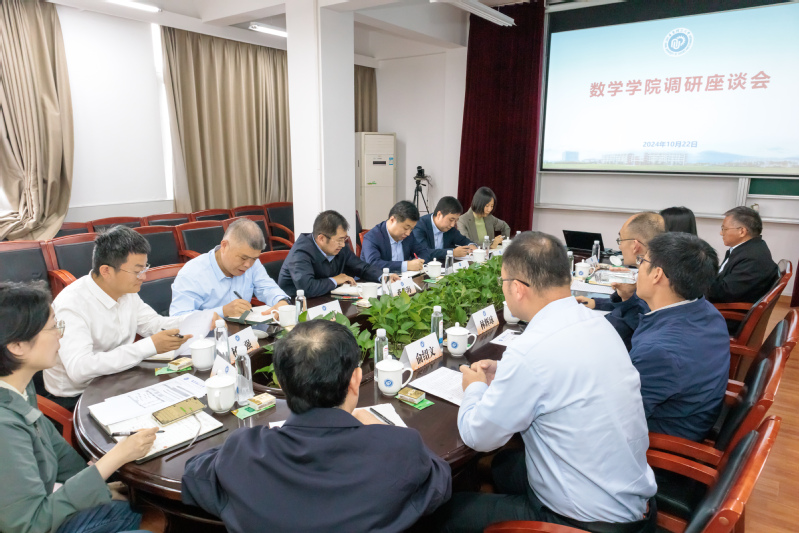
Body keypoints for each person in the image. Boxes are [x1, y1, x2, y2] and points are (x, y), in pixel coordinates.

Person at [432, 232, 656, 533]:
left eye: (502, 282)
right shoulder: (598, 324)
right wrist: (505, 370)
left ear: (517, 288)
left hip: (584, 521)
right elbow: (561, 370)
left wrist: (474, 387)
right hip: (627, 496)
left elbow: (478, 437)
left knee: (446, 514)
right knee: (503, 465)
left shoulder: (531, 351)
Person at [182, 320, 451, 533]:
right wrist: (383, 428)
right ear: (355, 380)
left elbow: (194, 476)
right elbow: (440, 482)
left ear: (282, 384)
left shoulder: (242, 452)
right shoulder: (399, 446)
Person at [0, 281, 159, 533]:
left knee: (146, 505)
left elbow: (58, 451)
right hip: (42, 523)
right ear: (17, 346)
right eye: (53, 327)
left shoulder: (20, 383)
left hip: (49, 501)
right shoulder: (5, 427)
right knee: (154, 515)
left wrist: (97, 483)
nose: (61, 334)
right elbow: (30, 524)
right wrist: (115, 458)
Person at [44, 226, 194, 410]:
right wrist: (148, 346)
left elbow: (154, 324)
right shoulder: (72, 305)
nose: (144, 276)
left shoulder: (125, 290)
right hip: (78, 396)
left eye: (145, 268)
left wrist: (199, 318)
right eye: (137, 271)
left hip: (117, 378)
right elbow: (79, 369)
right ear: (106, 271)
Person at [632, 233, 729, 440]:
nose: (637, 268)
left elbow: (622, 419)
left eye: (642, 261)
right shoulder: (707, 311)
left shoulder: (659, 352)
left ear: (657, 274)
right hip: (691, 415)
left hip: (662, 442)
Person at [576, 212, 665, 350]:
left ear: (635, 245)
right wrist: (597, 302)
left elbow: (634, 323)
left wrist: (628, 298)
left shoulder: (653, 285)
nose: (619, 247)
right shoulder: (651, 274)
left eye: (621, 240)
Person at [170, 218, 290, 317]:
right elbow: (178, 317)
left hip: (243, 333)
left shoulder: (252, 262)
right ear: (224, 246)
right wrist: (223, 311)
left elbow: (267, 287)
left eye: (254, 259)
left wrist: (281, 301)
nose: (248, 265)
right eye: (243, 258)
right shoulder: (192, 273)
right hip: (207, 336)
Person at [278, 210, 398, 298]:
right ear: (321, 238)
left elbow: (361, 267)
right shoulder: (300, 253)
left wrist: (383, 276)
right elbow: (307, 288)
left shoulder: (338, 247)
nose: (343, 244)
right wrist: (335, 280)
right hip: (297, 306)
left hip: (326, 298)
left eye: (344, 239)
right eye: (339, 240)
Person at [707, 206, 779, 305]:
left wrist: (697, 280)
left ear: (742, 231)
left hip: (725, 310)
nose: (721, 233)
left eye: (724, 229)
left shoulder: (752, 258)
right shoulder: (749, 248)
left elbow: (724, 293)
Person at [360, 200, 429, 273]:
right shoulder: (372, 237)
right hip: (378, 279)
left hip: (405, 278)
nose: (408, 233)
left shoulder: (408, 235)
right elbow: (374, 264)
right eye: (406, 228)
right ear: (392, 220)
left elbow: (423, 252)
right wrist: (406, 265)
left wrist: (418, 262)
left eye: (411, 229)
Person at [411, 196, 476, 262]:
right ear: (439, 215)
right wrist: (452, 252)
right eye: (451, 220)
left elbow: (463, 240)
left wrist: (471, 245)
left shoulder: (450, 228)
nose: (453, 225)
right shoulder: (420, 226)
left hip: (444, 265)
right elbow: (424, 252)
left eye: (456, 220)